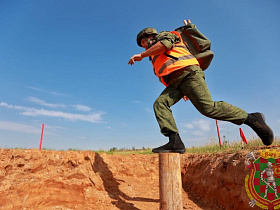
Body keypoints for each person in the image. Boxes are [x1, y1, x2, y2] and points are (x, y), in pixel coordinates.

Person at [128, 21, 274, 154]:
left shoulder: (165, 36)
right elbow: (167, 72)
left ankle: (252, 118)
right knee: (160, 104)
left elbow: (165, 46)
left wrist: (141, 55)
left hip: (189, 74)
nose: (143, 46)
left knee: (208, 108)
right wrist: (183, 92)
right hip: (177, 84)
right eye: (141, 45)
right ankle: (175, 142)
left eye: (143, 42)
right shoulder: (153, 59)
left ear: (150, 37)